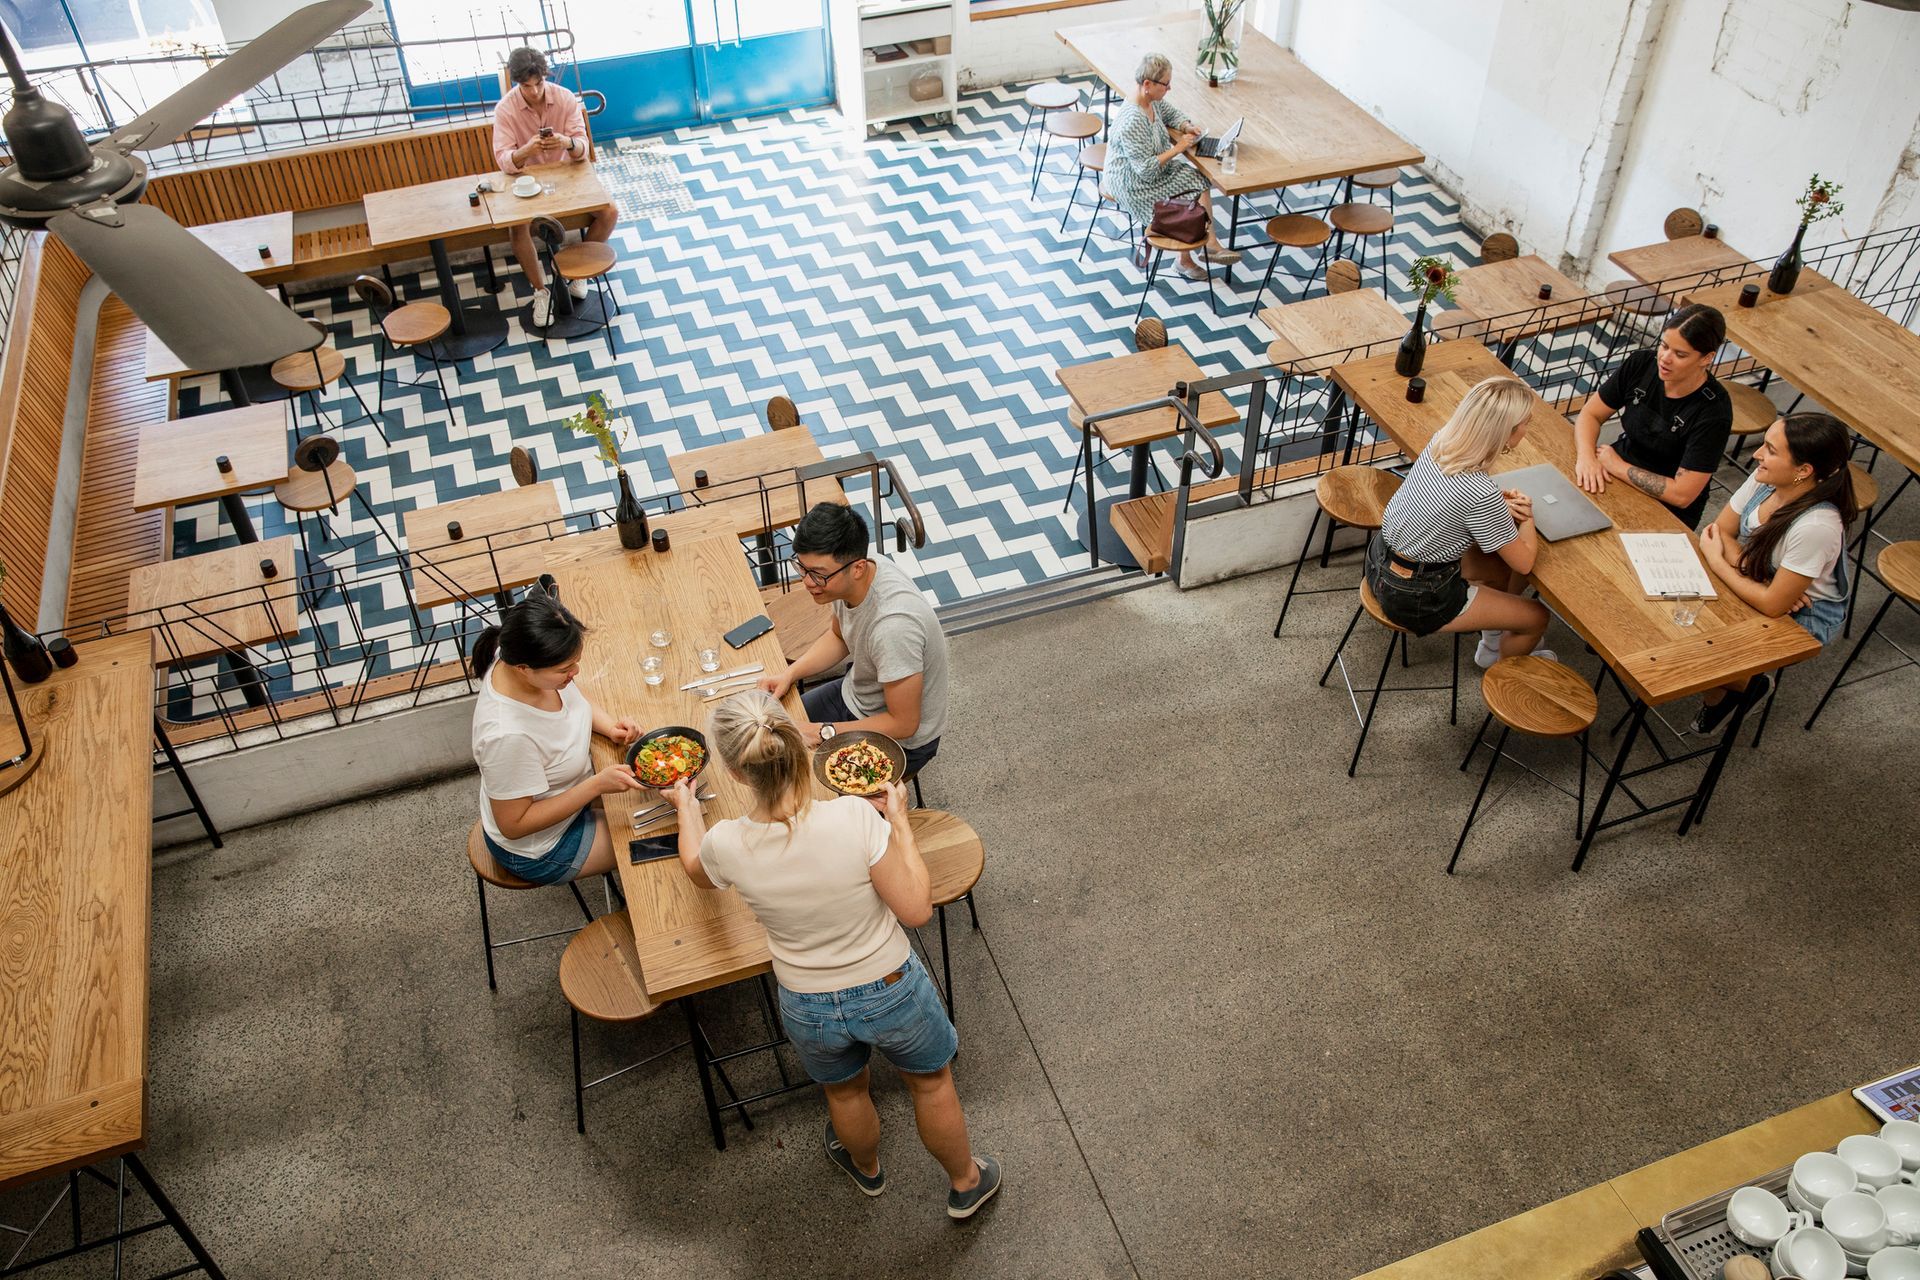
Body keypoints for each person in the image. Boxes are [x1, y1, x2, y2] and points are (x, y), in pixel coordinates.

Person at [668, 692, 1001, 1218]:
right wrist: (898, 823)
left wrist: (687, 809)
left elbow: (694, 869)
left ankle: (866, 1169)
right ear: (798, 750)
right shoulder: (852, 815)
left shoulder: (726, 843)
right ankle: (965, 1183)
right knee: (931, 1085)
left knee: (845, 1094)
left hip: (807, 1002)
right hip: (892, 986)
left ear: (734, 773)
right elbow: (916, 909)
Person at [1366, 376, 1557, 670]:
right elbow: (1524, 563)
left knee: (1496, 567)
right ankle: (1502, 673)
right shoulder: (1480, 492)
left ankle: (1492, 643)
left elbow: (1448, 500)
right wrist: (1527, 514)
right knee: (1537, 616)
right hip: (1414, 596)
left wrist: (1496, 508)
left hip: (1379, 561)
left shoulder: (1442, 440)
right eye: (1525, 424)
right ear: (1506, 432)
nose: (1527, 430)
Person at [1689, 412, 1858, 734]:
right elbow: (1721, 531)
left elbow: (1771, 605)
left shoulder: (1817, 525)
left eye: (1770, 449)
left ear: (1803, 471)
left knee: (1696, 651)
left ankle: (1746, 684)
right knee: (1682, 619)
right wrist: (1760, 579)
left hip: (1804, 616)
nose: (1756, 454)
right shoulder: (1766, 478)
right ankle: (1735, 687)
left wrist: (1719, 562)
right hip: (1764, 580)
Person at [759, 503, 948, 781]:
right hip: (857, 694)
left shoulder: (894, 627)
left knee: (798, 785)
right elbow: (839, 637)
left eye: (818, 574)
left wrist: (822, 732)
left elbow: (904, 724)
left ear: (858, 568)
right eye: (802, 567)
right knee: (765, 736)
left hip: (903, 741)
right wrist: (789, 674)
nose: (807, 582)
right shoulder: (854, 572)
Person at [470, 594, 644, 885]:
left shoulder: (520, 655)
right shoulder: (506, 737)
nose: (575, 674)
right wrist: (596, 785)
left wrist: (609, 727)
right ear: (523, 668)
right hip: (543, 847)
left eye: (575, 663)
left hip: (573, 791)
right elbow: (514, 824)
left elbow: (572, 694)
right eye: (565, 669)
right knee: (661, 836)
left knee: (661, 804)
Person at [490, 47, 620, 330]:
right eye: (526, 86)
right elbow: (503, 159)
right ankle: (540, 291)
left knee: (610, 212)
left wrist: (567, 143)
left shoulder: (564, 98)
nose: (535, 91)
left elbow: (582, 146)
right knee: (517, 228)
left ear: (545, 77)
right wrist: (526, 150)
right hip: (527, 184)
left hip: (567, 177)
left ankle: (576, 273)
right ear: (517, 83)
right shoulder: (505, 110)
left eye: (538, 83)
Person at [1572, 303, 1733, 530]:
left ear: (1707, 358)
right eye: (1664, 345)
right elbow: (1591, 414)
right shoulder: (1641, 364)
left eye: (1680, 354)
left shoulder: (1714, 413)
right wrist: (1586, 457)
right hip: (1615, 473)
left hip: (1667, 510)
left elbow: (1681, 494)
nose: (1665, 358)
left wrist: (1618, 467)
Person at [1103, 52, 1239, 281]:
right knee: (1188, 192)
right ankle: (1192, 256)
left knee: (1199, 181)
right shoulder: (1133, 120)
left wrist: (1185, 125)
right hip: (1131, 183)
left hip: (1148, 171)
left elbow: (1169, 112)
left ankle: (1202, 249)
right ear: (1148, 84)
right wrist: (1178, 148)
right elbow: (1146, 170)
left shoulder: (1150, 101)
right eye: (1166, 84)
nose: (1169, 88)